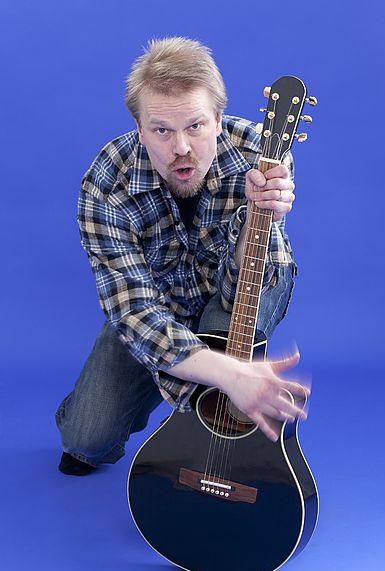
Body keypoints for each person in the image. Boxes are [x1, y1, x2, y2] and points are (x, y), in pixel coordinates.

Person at [56, 36, 308, 476]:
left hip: (244, 280)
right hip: (155, 299)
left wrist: (261, 216)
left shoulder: (260, 153)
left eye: (195, 126)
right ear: (139, 129)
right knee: (84, 439)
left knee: (220, 376)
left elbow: (246, 280)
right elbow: (136, 311)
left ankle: (212, 428)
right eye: (162, 130)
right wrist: (228, 374)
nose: (181, 148)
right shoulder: (105, 184)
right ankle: (199, 375)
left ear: (217, 119)